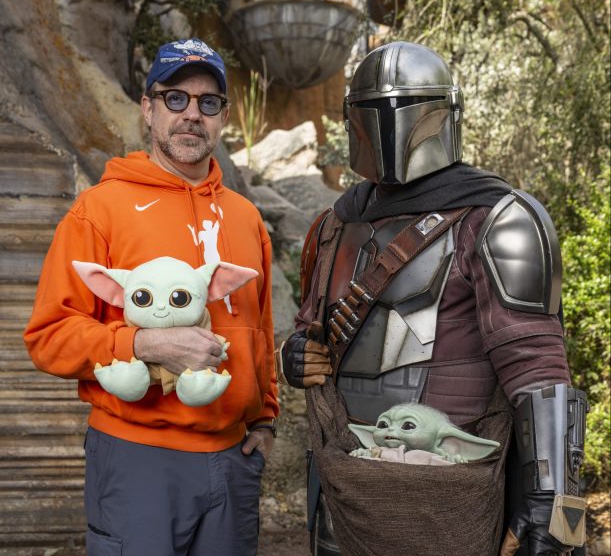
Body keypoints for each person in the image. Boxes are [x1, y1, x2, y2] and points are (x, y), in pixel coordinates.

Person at [279, 42, 587, 556]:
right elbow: (313, 331)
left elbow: (538, 370)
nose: (390, 125)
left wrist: (551, 504)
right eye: (374, 110)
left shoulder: (498, 220)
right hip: (345, 482)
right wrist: (295, 357)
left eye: (406, 108)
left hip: (452, 494)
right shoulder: (333, 225)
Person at [23, 38, 278, 556]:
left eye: (208, 102)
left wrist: (266, 419)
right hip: (138, 456)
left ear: (224, 117)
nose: (192, 114)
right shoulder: (100, 209)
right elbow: (49, 337)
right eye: (175, 98)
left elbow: (261, 327)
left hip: (232, 460)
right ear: (148, 108)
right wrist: (144, 345)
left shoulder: (246, 217)